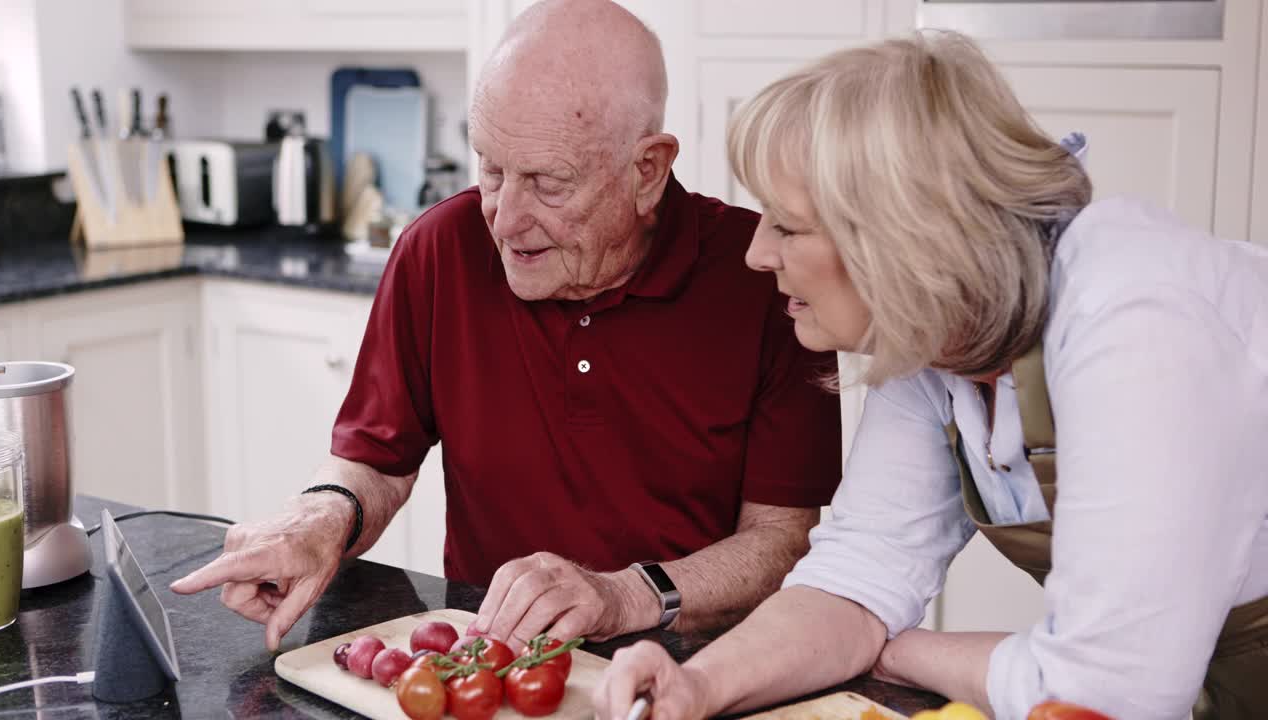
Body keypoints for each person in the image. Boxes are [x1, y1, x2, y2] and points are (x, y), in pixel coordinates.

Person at [594, 31, 1268, 720]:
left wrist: (897, 648)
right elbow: (858, 576)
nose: (757, 253)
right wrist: (700, 686)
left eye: (787, 226)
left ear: (899, 241)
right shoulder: (938, 341)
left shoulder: (1137, 325)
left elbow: (1099, 696)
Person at [170, 0, 843, 655]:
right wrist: (321, 516)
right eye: (491, 168)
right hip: (489, 667)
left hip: (700, 668)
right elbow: (377, 458)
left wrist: (625, 596)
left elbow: (782, 539)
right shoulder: (440, 249)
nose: (504, 219)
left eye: (548, 183)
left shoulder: (764, 278)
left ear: (647, 171)